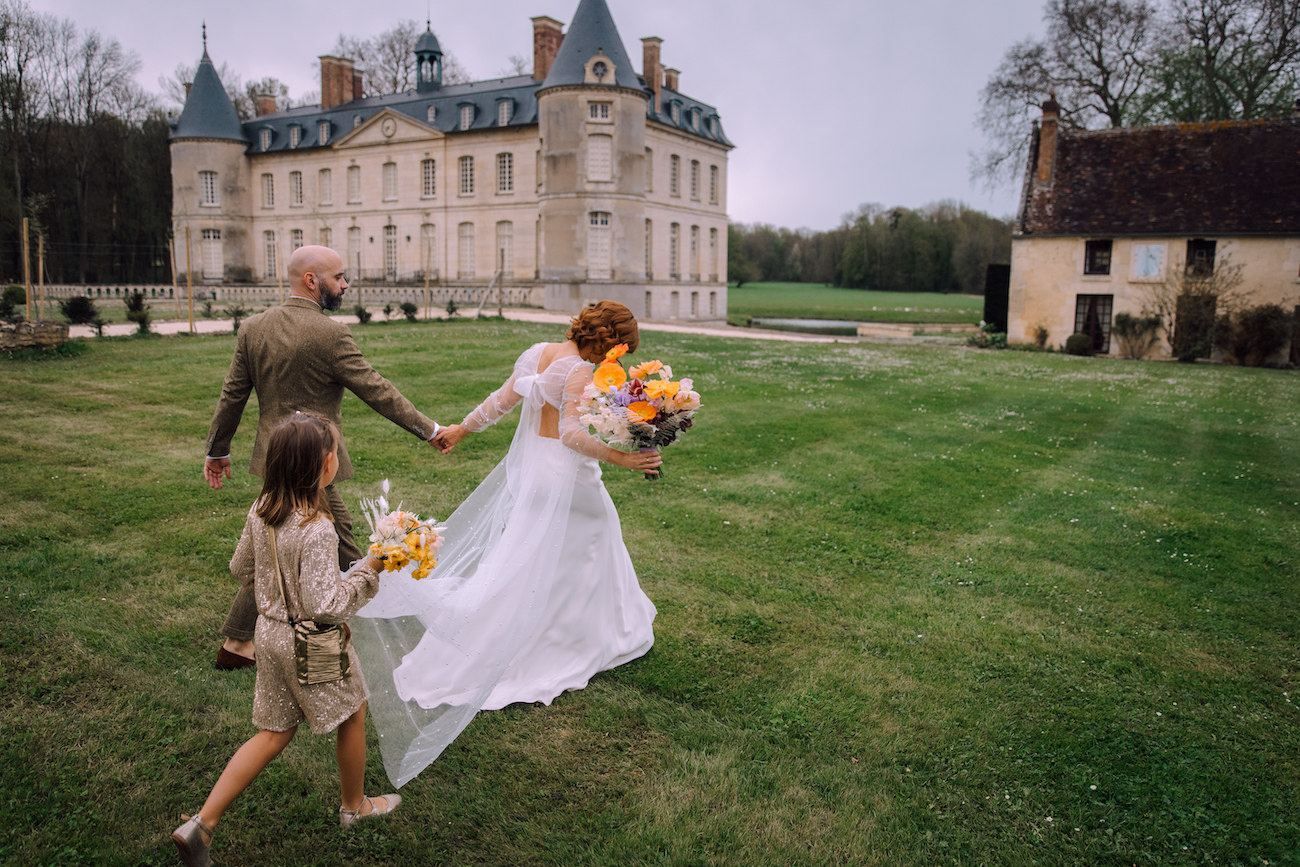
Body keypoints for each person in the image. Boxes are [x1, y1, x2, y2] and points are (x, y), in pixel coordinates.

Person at [350, 301, 661, 787]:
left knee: (535, 556)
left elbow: (500, 400)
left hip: (533, 473)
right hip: (565, 475)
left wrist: (460, 429)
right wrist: (626, 461)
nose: (617, 357)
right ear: (605, 339)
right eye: (620, 347)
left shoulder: (537, 352)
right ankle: (584, 634)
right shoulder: (580, 371)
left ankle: (572, 623)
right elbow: (574, 436)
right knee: (592, 540)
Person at [204, 245, 447, 671]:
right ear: (312, 281)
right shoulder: (330, 334)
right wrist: (429, 430)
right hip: (315, 462)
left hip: (273, 459)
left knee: (289, 540)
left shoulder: (254, 327)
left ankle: (239, 642)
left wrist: (218, 449)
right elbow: (377, 390)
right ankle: (360, 620)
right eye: (339, 277)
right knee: (329, 541)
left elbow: (232, 395)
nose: (346, 284)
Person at [172, 413, 399, 867]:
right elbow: (326, 605)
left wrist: (277, 586)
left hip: (268, 635)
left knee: (274, 731)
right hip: (308, 643)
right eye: (334, 451)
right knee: (353, 711)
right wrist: (370, 571)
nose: (337, 456)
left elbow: (241, 569)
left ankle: (202, 823)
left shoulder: (261, 509)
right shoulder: (317, 527)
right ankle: (354, 807)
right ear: (322, 466)